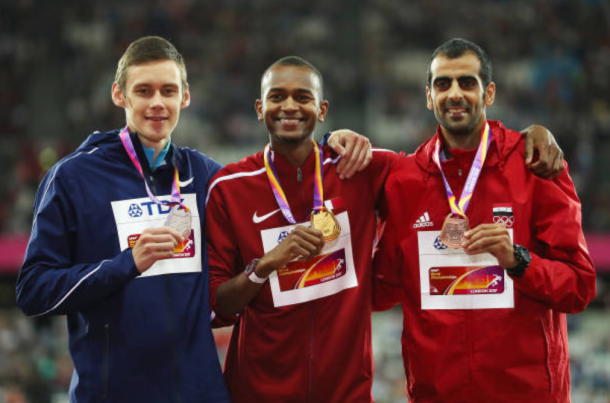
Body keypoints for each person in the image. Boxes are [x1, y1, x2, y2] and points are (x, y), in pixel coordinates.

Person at [15, 36, 370, 403]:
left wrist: (331, 144)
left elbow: (275, 179)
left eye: (168, 91)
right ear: (120, 96)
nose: (157, 103)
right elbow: (33, 291)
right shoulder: (73, 178)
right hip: (113, 394)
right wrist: (125, 265)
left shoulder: (204, 176)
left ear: (185, 97)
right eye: (144, 91)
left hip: (201, 393)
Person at [205, 56, 565, 403]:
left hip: (348, 394)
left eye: (303, 97)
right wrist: (265, 265)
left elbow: (433, 167)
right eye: (276, 96)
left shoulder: (361, 169)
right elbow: (217, 307)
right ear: (258, 107)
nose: (289, 106)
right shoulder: (230, 187)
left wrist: (534, 134)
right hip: (257, 391)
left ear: (322, 109)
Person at [373, 38, 596, 403]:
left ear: (488, 92)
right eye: (443, 84)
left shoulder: (534, 164)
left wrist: (517, 260)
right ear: (429, 97)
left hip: (527, 395)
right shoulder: (405, 182)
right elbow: (381, 289)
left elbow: (580, 287)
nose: (455, 93)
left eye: (467, 82)